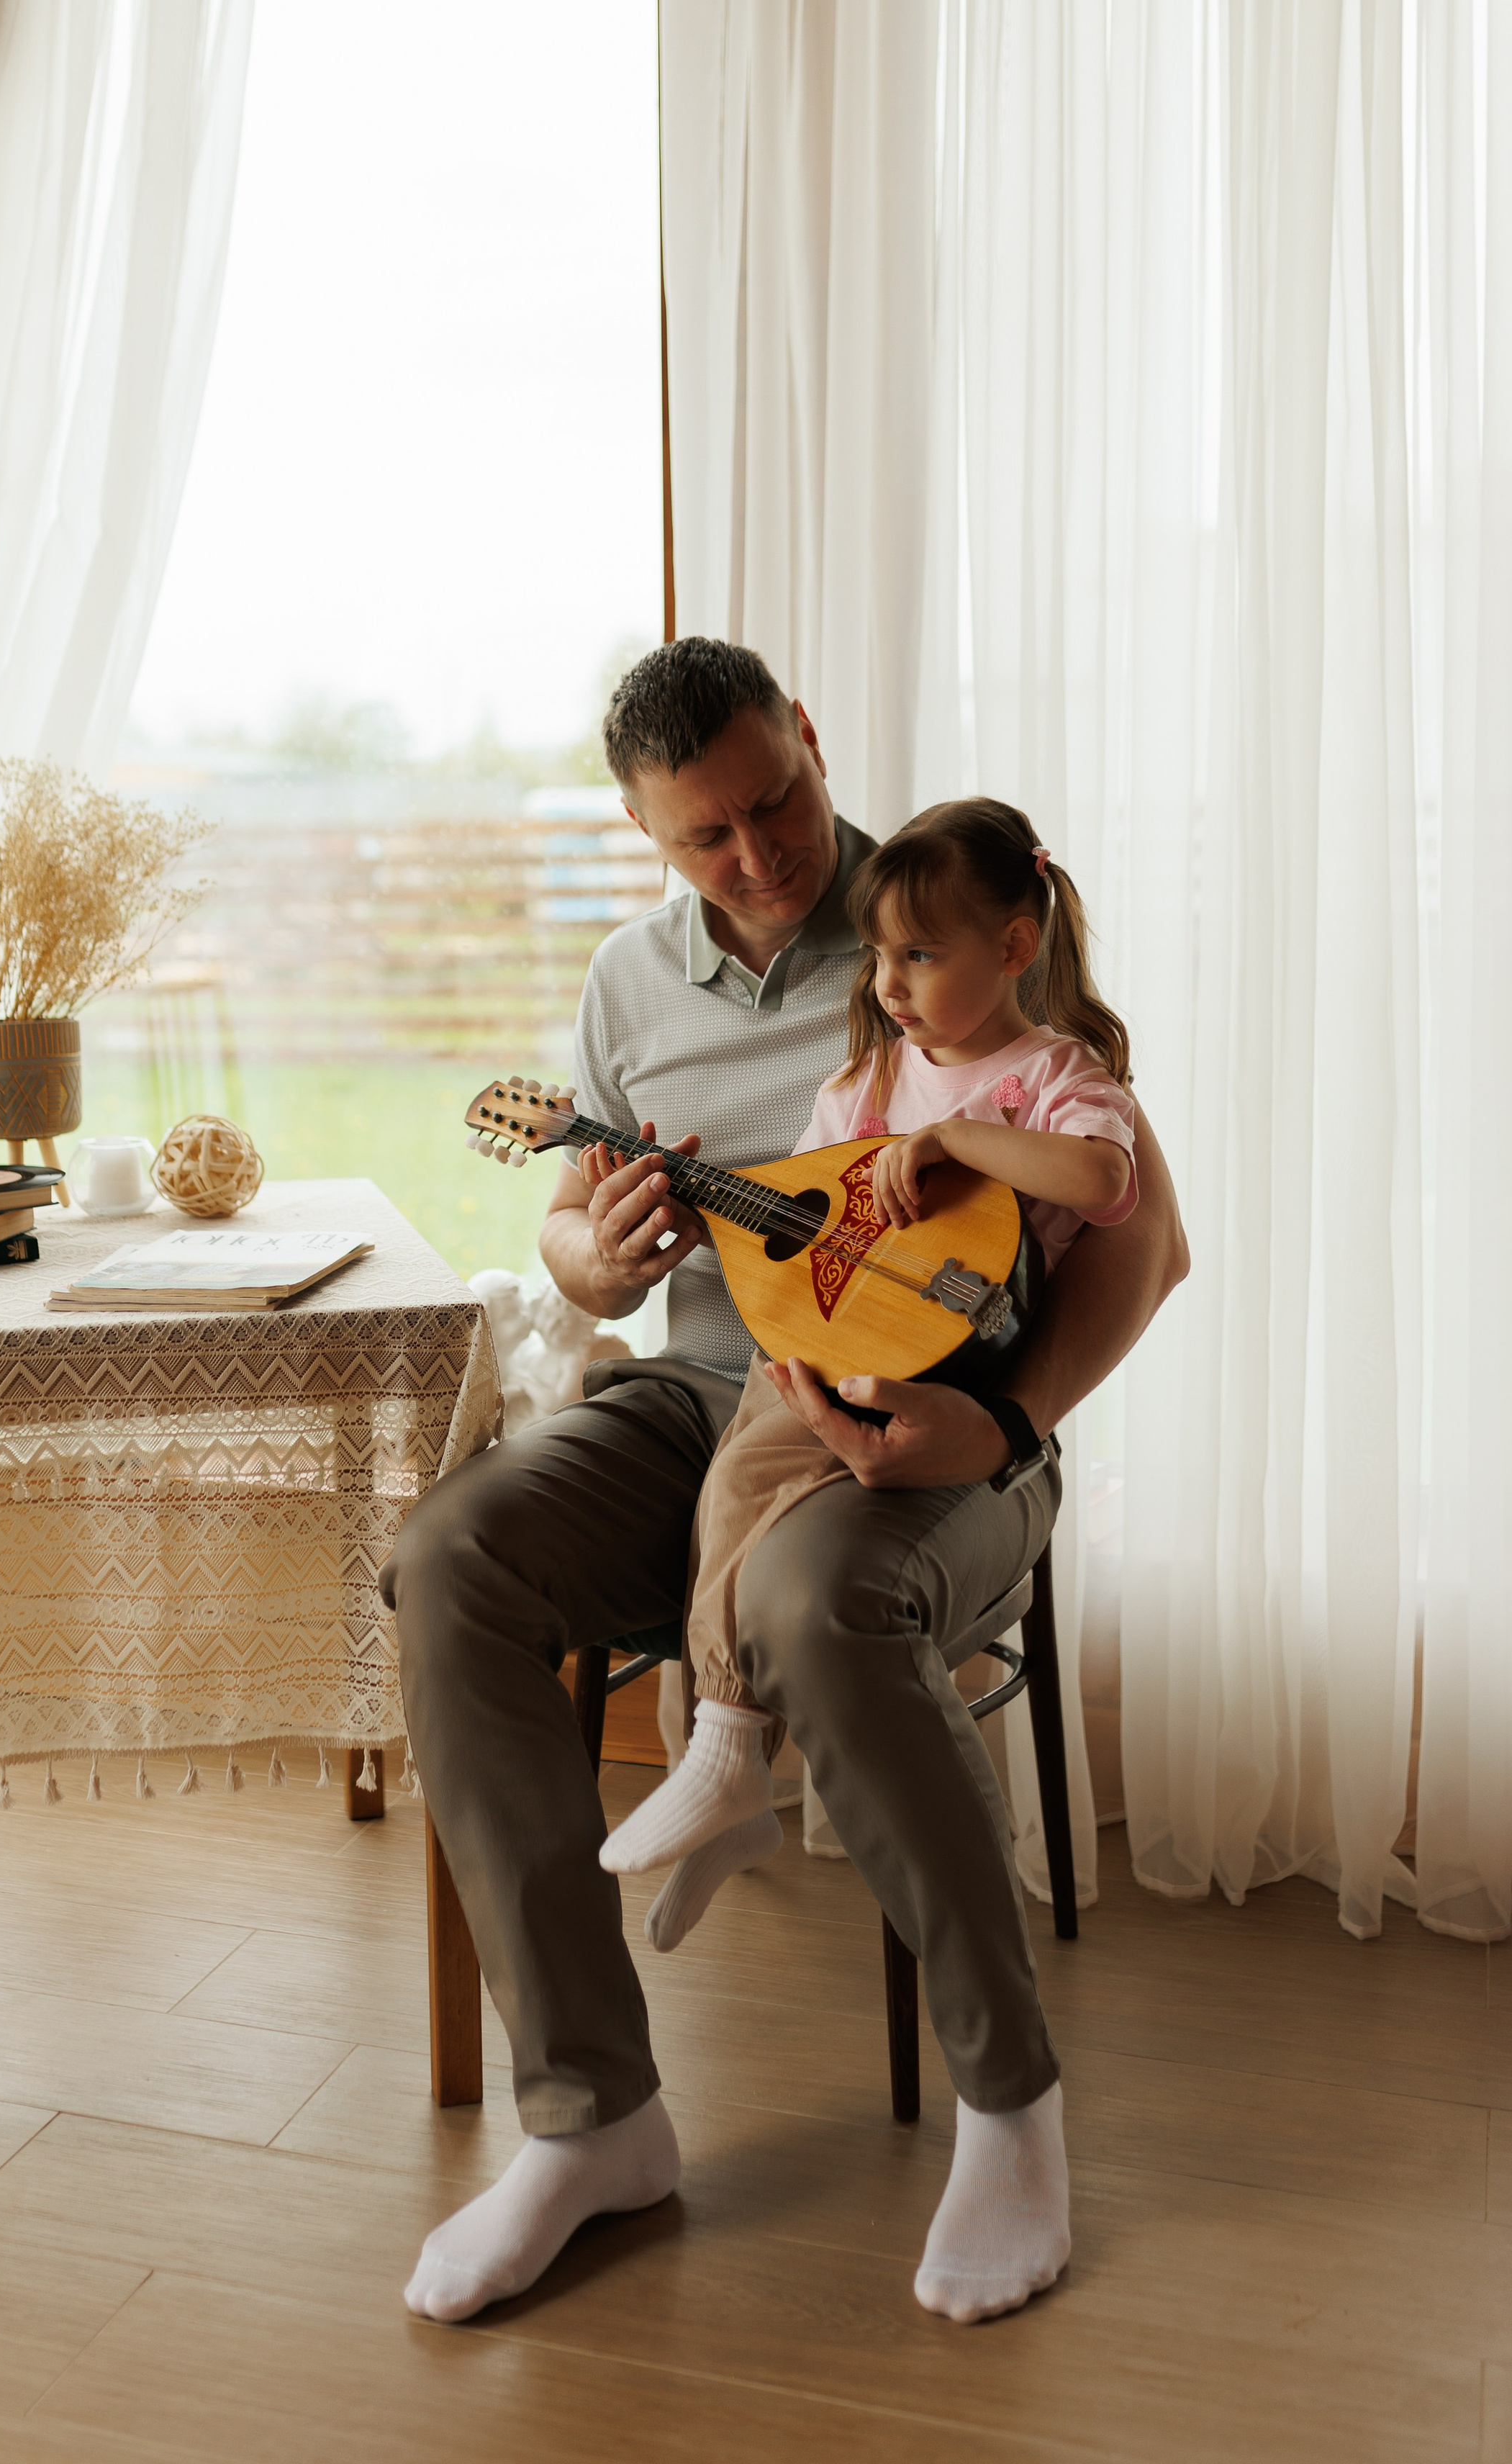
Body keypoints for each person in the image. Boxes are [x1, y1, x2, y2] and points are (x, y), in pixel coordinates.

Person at [379, 638, 1188, 2331]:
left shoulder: (941, 918)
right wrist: (584, 1255)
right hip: (707, 1390)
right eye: (703, 839)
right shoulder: (625, 982)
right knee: (454, 1558)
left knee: (818, 1602)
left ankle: (1009, 2106)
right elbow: (578, 1220)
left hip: (949, 1414)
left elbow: (1140, 1235)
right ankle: (592, 2118)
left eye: (776, 803)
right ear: (642, 834)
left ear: (811, 744)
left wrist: (1009, 1424)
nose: (755, 858)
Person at [599, 796, 1138, 1887]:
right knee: (741, 1481)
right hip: (841, 1356)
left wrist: (954, 1137)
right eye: (883, 955)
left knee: (786, 1517)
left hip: (964, 1376)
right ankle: (730, 1745)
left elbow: (1104, 1182)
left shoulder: (1056, 1078)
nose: (887, 983)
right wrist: (713, 1211)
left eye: (921, 954)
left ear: (1014, 947)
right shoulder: (865, 1083)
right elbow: (811, 1212)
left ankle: (744, 1767)